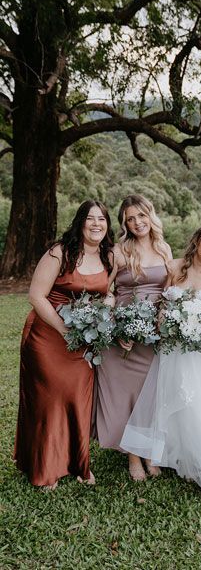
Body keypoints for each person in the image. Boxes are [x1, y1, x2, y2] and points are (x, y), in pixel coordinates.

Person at [121, 225, 201, 512]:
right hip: (172, 349)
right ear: (197, 241)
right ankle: (166, 456)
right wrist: (167, 318)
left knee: (199, 405)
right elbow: (163, 302)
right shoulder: (175, 267)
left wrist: (200, 324)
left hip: (200, 352)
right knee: (168, 402)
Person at [14, 200, 114, 489]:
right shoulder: (60, 252)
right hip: (48, 335)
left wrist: (101, 315)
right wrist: (65, 329)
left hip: (84, 338)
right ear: (80, 222)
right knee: (49, 399)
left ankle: (78, 464)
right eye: (90, 219)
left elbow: (110, 293)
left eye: (102, 219)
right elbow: (36, 296)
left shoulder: (110, 256)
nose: (96, 224)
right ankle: (46, 467)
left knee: (78, 397)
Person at [95, 194, 171, 481]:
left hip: (153, 334)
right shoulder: (118, 251)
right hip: (123, 334)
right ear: (125, 223)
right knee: (126, 396)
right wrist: (115, 326)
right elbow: (108, 291)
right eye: (130, 218)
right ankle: (133, 457)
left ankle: (150, 452)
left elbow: (168, 290)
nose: (138, 222)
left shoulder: (164, 248)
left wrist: (164, 317)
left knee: (150, 395)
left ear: (150, 216)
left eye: (141, 215)